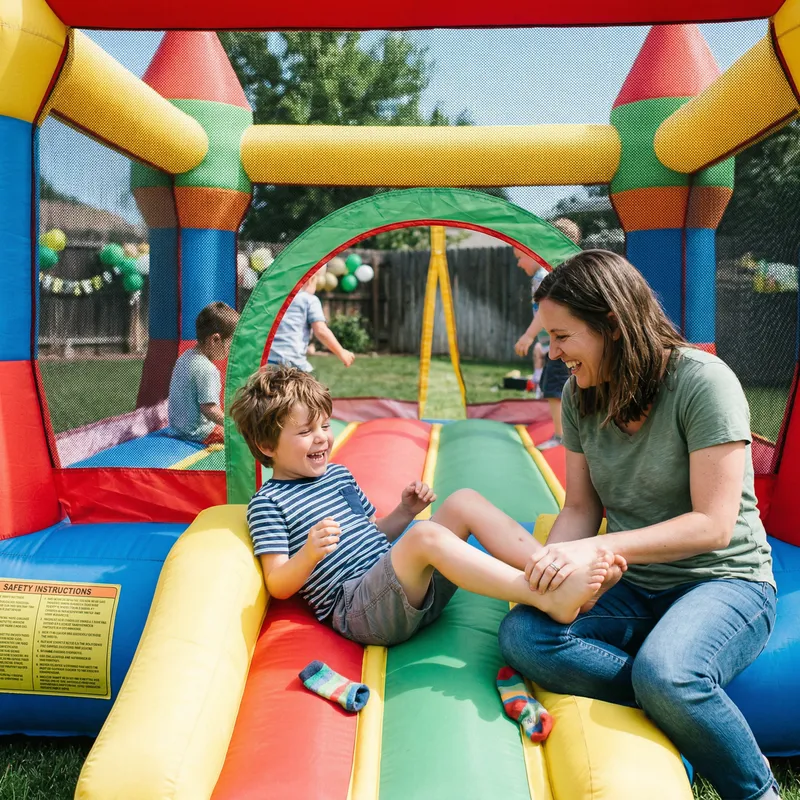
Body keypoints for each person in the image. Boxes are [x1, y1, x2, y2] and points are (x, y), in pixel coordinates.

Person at [498, 250, 778, 800]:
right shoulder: (579, 396)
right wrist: (550, 572)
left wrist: (598, 551)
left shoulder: (702, 382)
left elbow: (713, 525)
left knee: (667, 674)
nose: (552, 352)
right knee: (525, 636)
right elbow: (580, 507)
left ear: (612, 326)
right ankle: (681, 708)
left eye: (562, 337)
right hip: (635, 585)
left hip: (725, 580)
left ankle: (756, 790)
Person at [229, 365, 624, 647]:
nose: (321, 439)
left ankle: (553, 572)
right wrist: (310, 554)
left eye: (325, 426)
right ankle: (542, 595)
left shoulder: (338, 476)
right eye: (305, 432)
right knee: (424, 536)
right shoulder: (269, 503)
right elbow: (278, 583)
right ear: (267, 447)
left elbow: (374, 534)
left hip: (404, 587)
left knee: (462, 501)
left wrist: (403, 512)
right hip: (362, 610)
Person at [514, 217, 581, 449]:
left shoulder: (546, 276)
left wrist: (529, 336)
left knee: (554, 387)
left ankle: (561, 437)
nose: (518, 264)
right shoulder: (565, 271)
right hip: (564, 341)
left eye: (520, 257)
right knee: (563, 384)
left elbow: (544, 313)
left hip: (562, 343)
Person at [167, 301, 239, 444]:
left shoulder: (185, 357)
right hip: (198, 433)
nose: (231, 351)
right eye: (231, 345)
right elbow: (209, 408)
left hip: (176, 429)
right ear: (215, 339)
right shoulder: (207, 369)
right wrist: (234, 427)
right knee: (244, 439)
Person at [268, 270, 355, 371]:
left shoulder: (276, 299)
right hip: (292, 362)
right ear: (310, 281)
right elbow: (321, 330)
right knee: (310, 385)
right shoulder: (309, 300)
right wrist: (341, 352)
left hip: (268, 361)